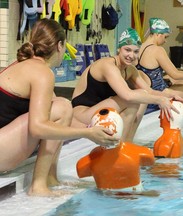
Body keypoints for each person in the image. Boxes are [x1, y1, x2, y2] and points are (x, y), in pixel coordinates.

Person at [0, 18, 119, 197]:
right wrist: (88, 133)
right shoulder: (42, 73)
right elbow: (39, 127)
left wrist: (94, 130)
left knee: (62, 106)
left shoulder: (24, 65)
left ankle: (50, 178)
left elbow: (64, 119)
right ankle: (39, 186)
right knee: (62, 107)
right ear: (59, 45)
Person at [71, 27, 183, 143]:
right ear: (119, 49)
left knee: (142, 96)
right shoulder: (108, 65)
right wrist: (160, 101)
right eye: (127, 50)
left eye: (135, 51)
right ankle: (120, 146)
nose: (131, 55)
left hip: (101, 112)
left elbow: (149, 91)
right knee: (134, 98)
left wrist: (168, 97)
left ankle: (127, 142)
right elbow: (127, 96)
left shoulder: (130, 70)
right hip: (82, 114)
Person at [136, 18, 183, 118]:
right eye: (165, 37)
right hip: (158, 98)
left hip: (146, 96)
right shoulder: (157, 50)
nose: (165, 41)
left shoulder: (139, 47)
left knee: (174, 80)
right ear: (158, 34)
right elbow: (176, 74)